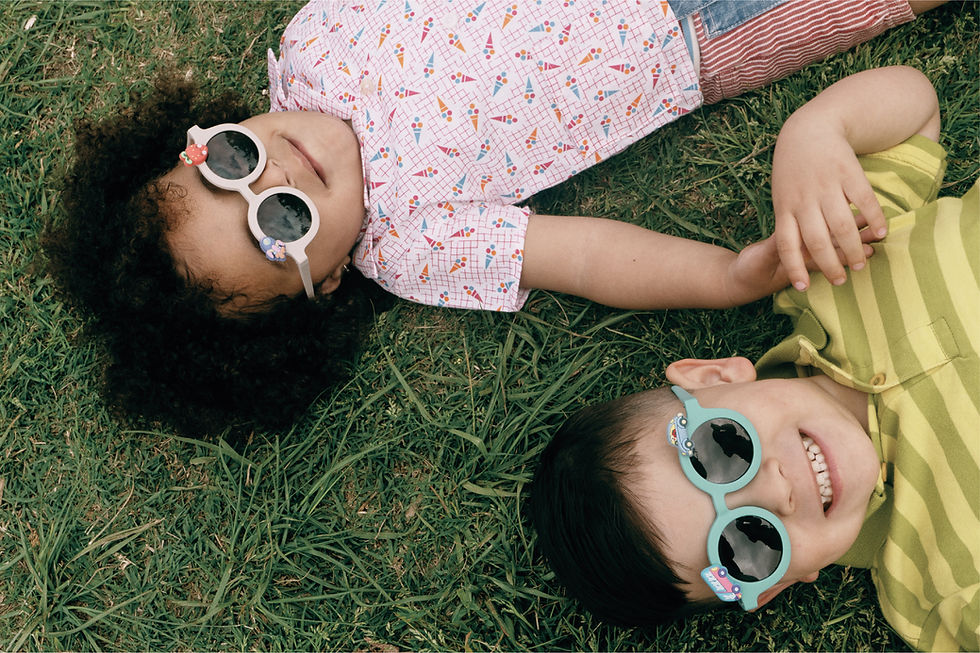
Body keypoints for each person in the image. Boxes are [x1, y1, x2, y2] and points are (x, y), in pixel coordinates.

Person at [44, 0, 945, 434]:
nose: (275, 172)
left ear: (199, 135)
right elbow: (586, 255)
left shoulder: (318, 33)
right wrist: (727, 276)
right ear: (320, 287)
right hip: (704, 31)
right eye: (279, 222)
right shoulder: (409, 245)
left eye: (232, 162)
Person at [529, 65, 978, 651]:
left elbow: (915, 112)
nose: (775, 492)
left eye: (721, 449)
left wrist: (817, 130)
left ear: (715, 378)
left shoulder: (826, 266)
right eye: (748, 544)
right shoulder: (940, 583)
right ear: (772, 587)